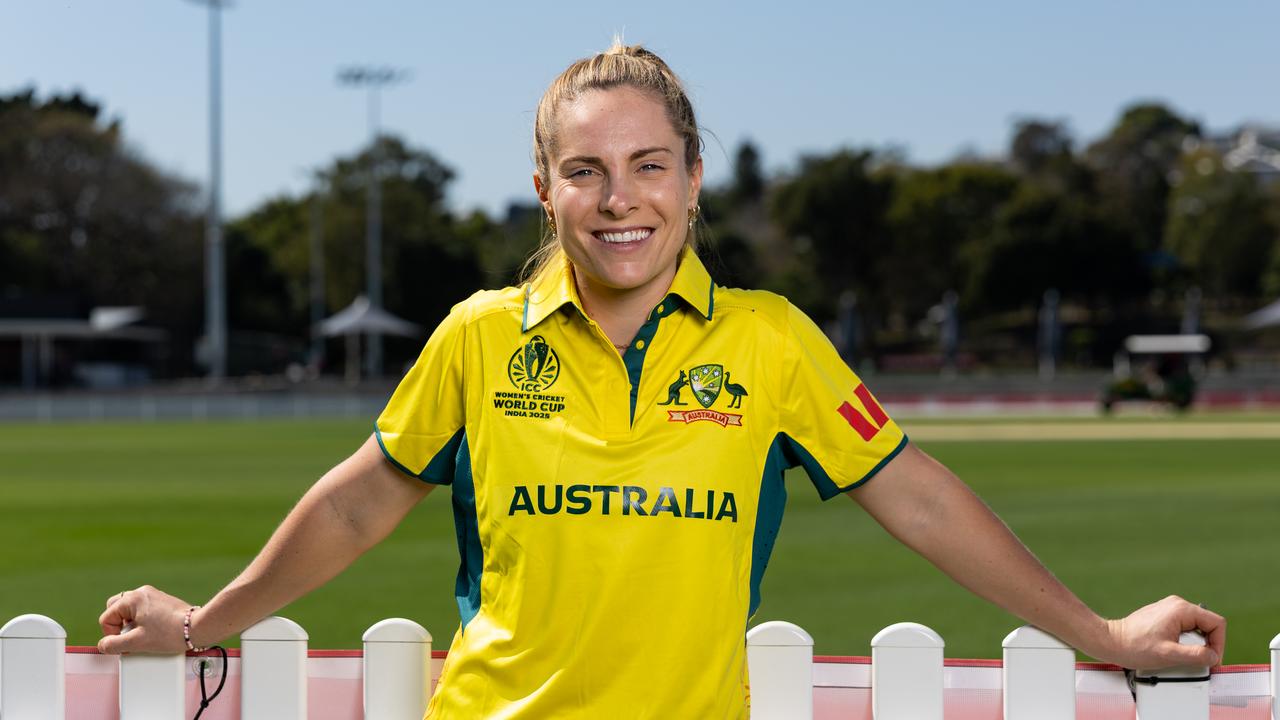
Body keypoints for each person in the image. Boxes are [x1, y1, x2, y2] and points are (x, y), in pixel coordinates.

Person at [99, 42, 1225, 718]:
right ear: (543, 189)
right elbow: (355, 505)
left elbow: (918, 498)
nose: (618, 199)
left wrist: (1101, 632)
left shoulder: (771, 341)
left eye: (648, 165)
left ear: (692, 180)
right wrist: (203, 623)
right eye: (584, 170)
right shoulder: (478, 336)